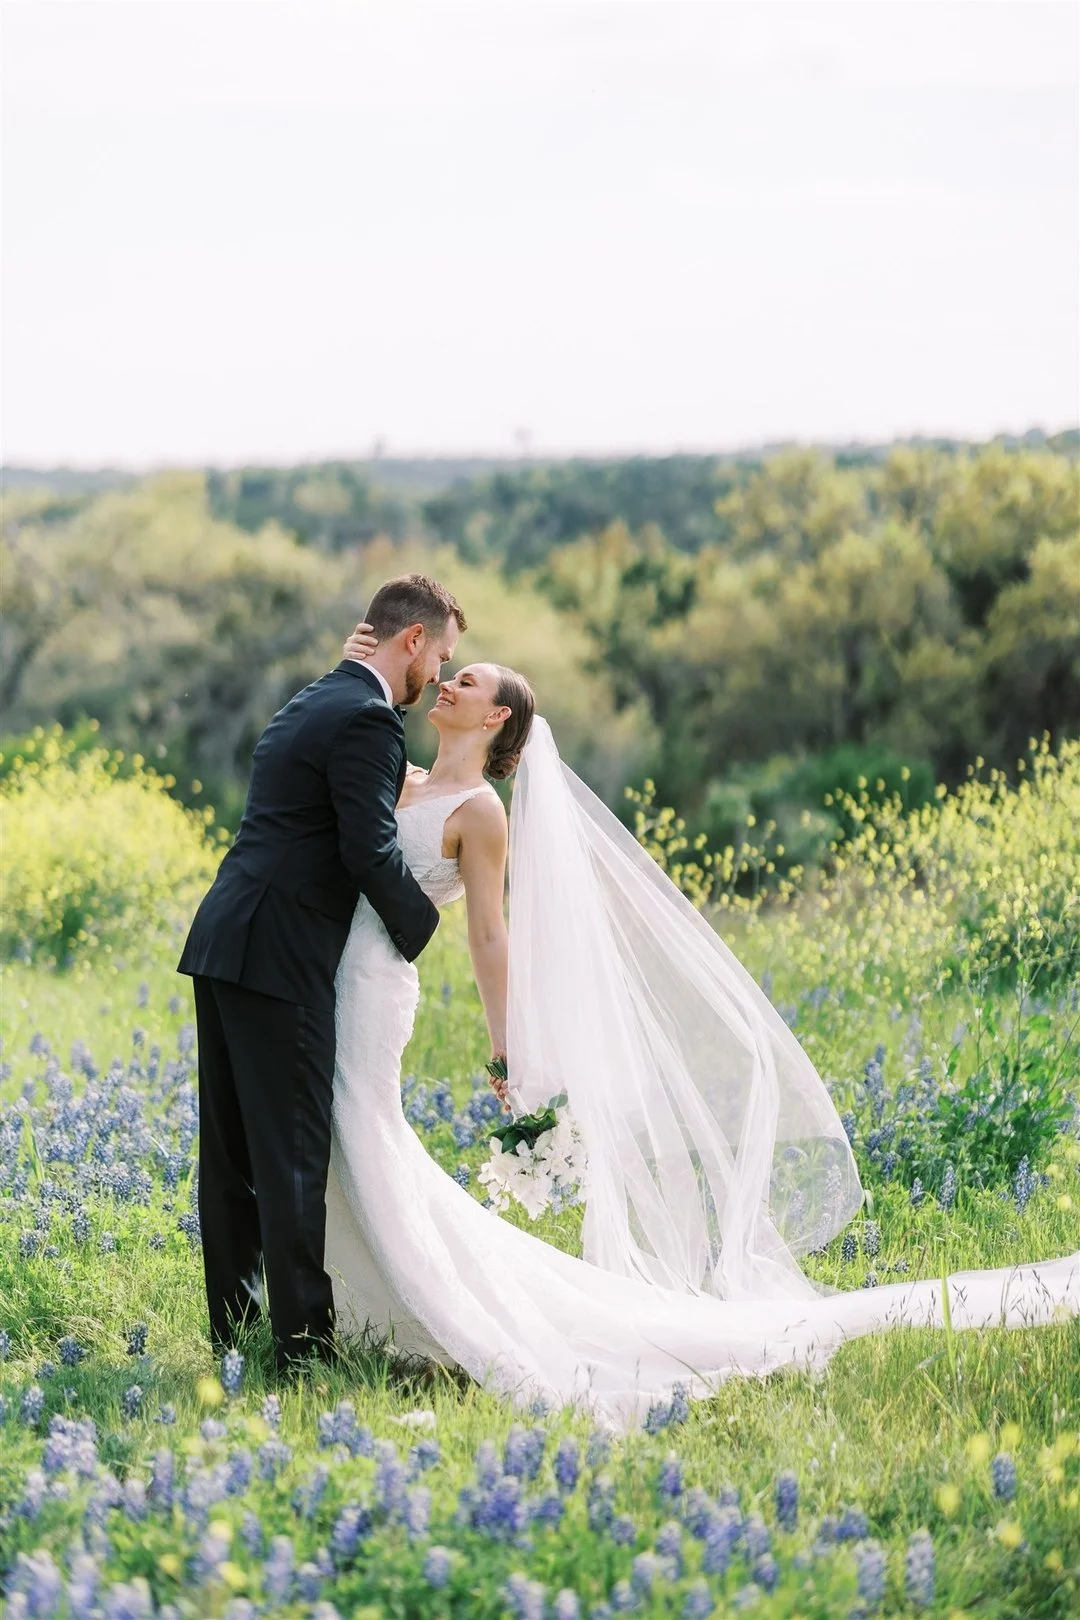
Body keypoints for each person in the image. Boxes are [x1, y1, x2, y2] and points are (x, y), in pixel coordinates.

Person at [327, 621, 1080, 1432]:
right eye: (452, 673)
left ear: (497, 718)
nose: (448, 684)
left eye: (467, 681)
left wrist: (508, 1043)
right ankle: (353, 1298)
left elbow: (487, 934)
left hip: (376, 990)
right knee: (342, 1133)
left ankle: (429, 1310)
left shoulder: (480, 812)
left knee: (365, 1129)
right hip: (328, 978)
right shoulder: (395, 777)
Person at [177, 575, 464, 1371]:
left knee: (231, 1159)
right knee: (294, 1154)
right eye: (440, 655)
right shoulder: (370, 721)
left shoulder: (311, 701)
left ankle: (233, 1334)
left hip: (225, 938)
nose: (439, 675)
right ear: (410, 640)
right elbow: (366, 848)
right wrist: (423, 923)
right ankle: (301, 1350)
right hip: (282, 956)